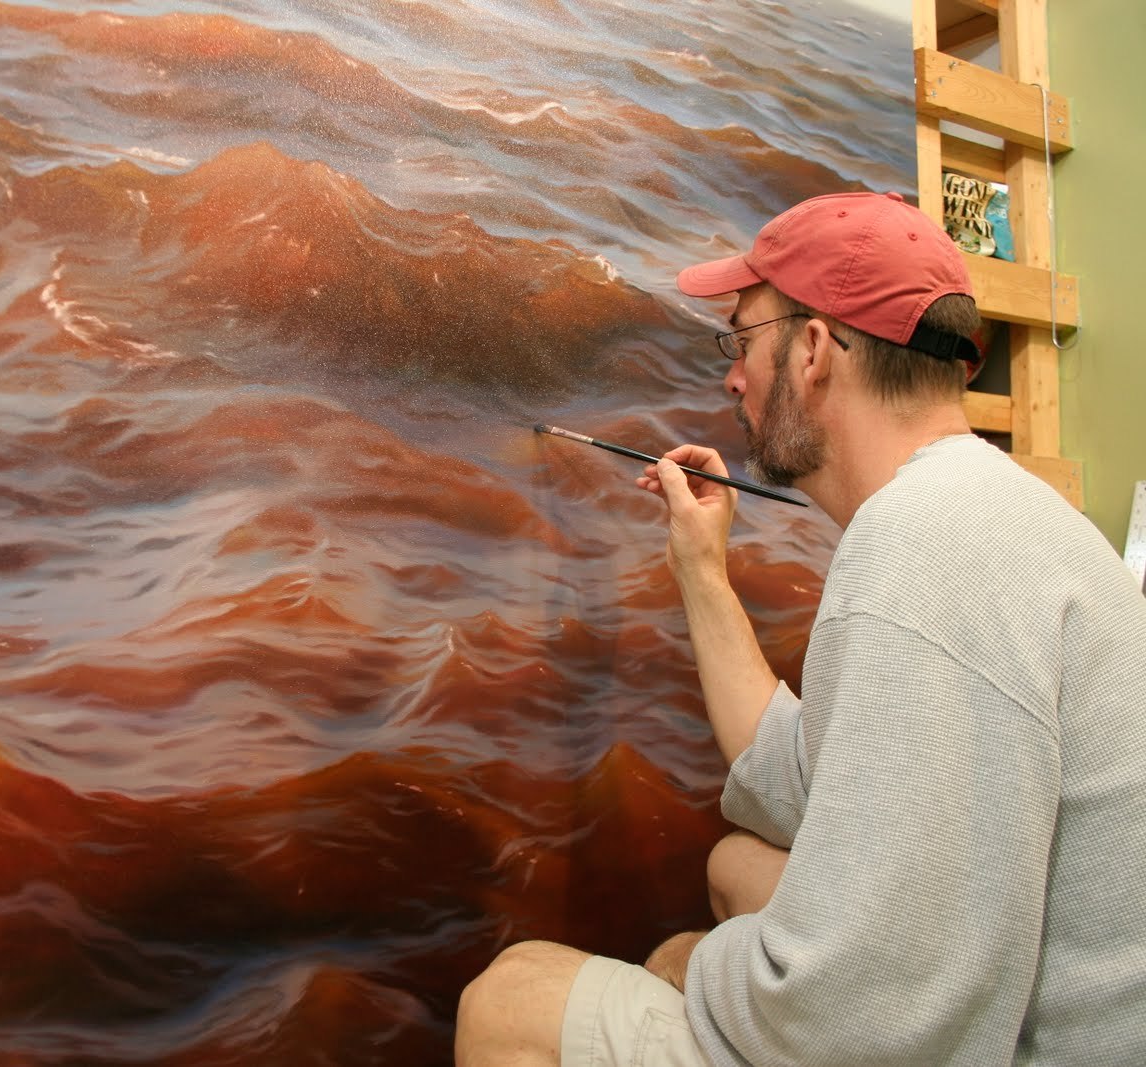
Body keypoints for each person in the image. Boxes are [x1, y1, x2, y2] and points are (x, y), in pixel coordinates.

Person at [455, 191, 1146, 1065]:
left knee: (510, 999)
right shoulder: (998, 510)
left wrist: (693, 966)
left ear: (813, 349)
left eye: (743, 340)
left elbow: (869, 1020)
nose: (732, 375)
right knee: (735, 865)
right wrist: (701, 570)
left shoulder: (921, 544)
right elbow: (800, 773)